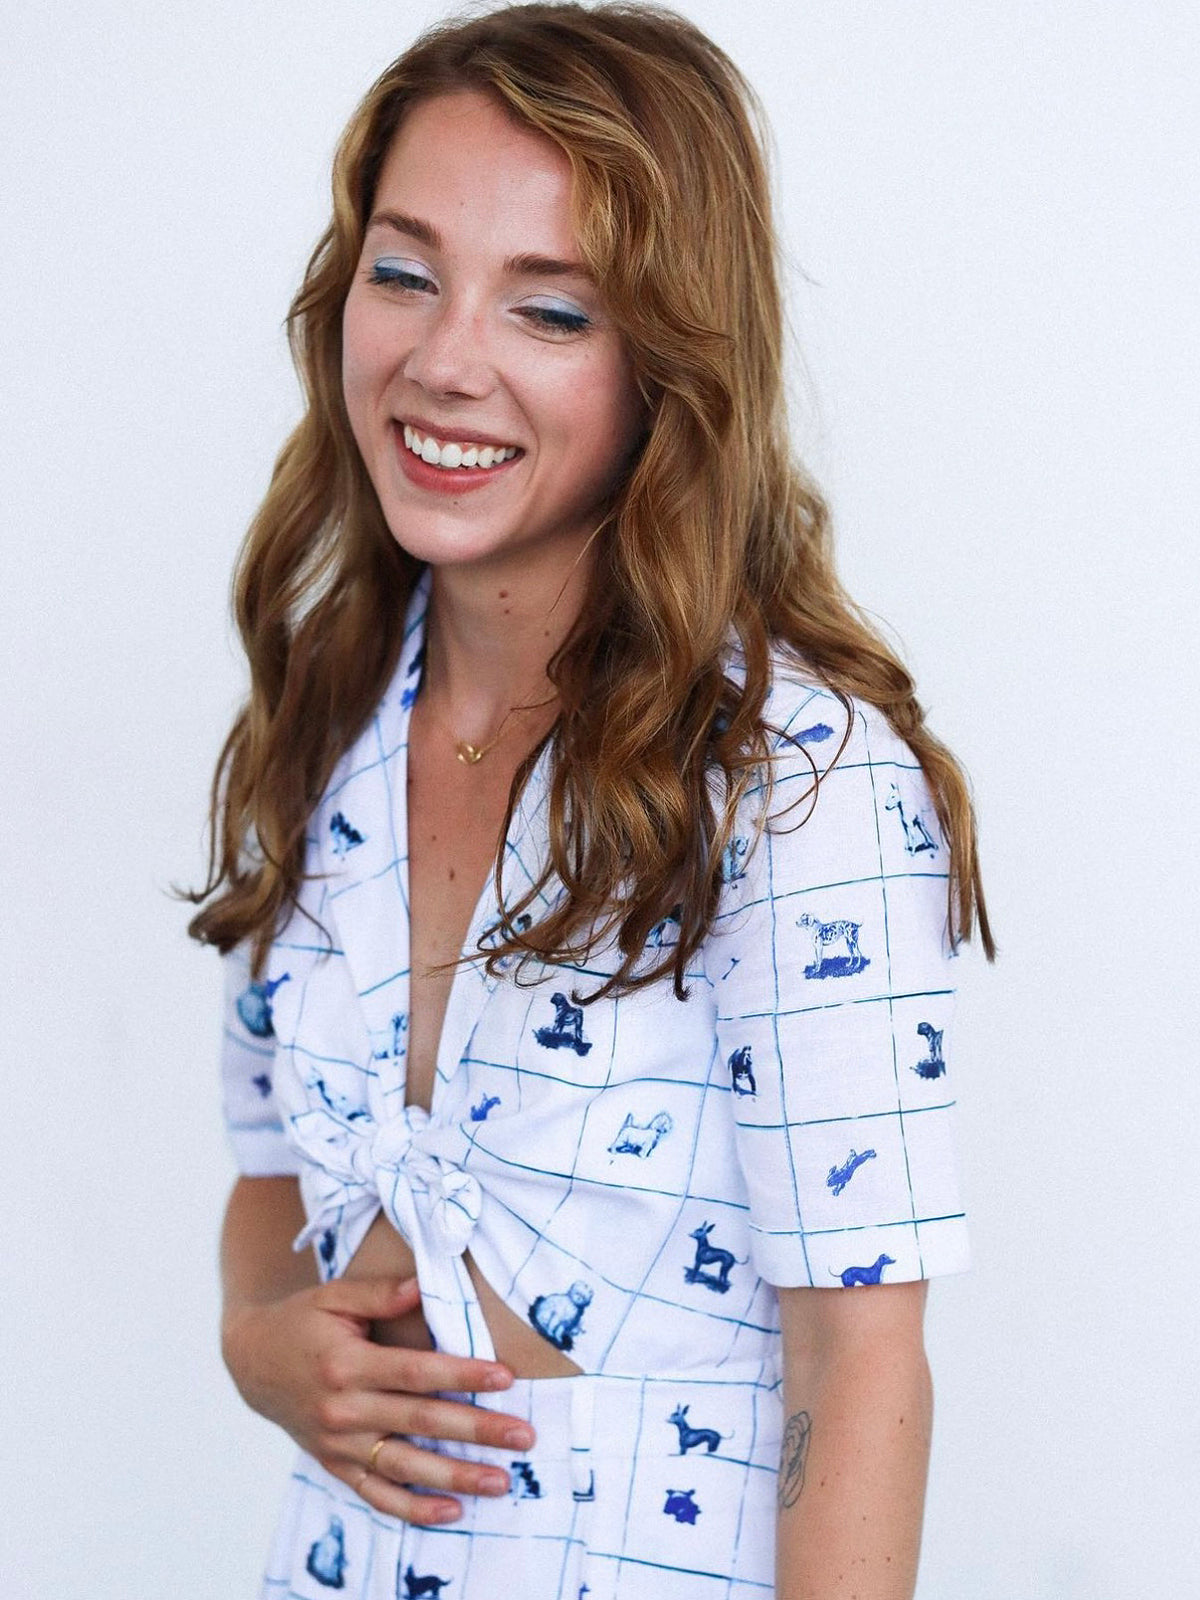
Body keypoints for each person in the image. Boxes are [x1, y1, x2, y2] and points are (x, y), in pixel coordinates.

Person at [185, 4, 995, 1596]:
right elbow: (267, 1172)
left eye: (550, 310)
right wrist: (256, 1345)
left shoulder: (791, 781)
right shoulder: (326, 718)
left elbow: (857, 1356)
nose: (444, 361)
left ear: (664, 364)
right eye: (404, 273)